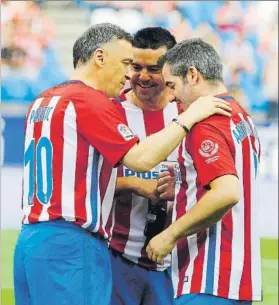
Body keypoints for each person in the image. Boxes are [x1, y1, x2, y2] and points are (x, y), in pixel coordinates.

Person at [13, 22, 232, 305]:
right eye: (127, 63)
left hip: (31, 239)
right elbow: (141, 158)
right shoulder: (89, 101)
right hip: (71, 243)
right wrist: (189, 118)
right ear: (100, 57)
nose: (130, 74)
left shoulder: (44, 101)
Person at [146, 38, 262, 305]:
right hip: (239, 276)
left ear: (193, 75)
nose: (172, 95)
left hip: (208, 276)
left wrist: (169, 234)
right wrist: (187, 186)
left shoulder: (204, 123)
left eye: (173, 85)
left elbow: (226, 193)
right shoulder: (241, 116)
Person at [109, 27, 178, 305]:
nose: (144, 76)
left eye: (154, 68)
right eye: (137, 67)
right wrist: (134, 183)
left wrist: (180, 189)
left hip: (174, 262)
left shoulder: (189, 113)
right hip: (117, 256)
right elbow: (85, 180)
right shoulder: (110, 111)